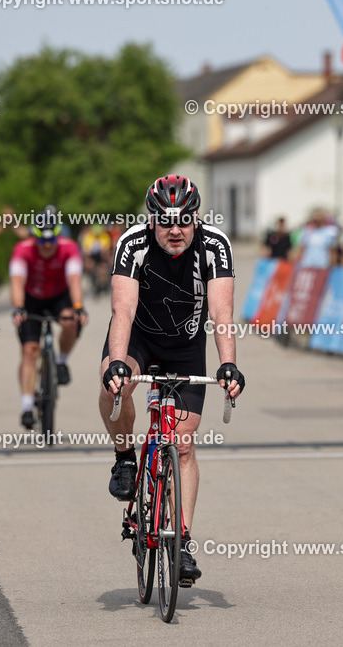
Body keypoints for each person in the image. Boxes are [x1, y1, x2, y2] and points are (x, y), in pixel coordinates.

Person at [100, 174, 245, 587]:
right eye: (166, 221)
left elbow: (220, 314)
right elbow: (122, 311)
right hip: (140, 338)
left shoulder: (214, 245)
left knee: (182, 443)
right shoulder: (132, 243)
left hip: (185, 344)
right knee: (114, 382)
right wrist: (116, 364)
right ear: (152, 222)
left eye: (183, 220)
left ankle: (180, 541)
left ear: (196, 218)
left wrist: (228, 365)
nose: (175, 229)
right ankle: (125, 457)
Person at [9, 205, 88, 429]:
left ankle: (61, 361)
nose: (46, 247)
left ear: (57, 237)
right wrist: (18, 307)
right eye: (41, 242)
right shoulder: (23, 249)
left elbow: (74, 279)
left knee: (71, 320)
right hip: (31, 298)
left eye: (50, 241)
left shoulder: (69, 248)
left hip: (58, 296)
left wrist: (79, 307)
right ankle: (26, 406)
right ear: (34, 237)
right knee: (29, 350)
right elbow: (17, 281)